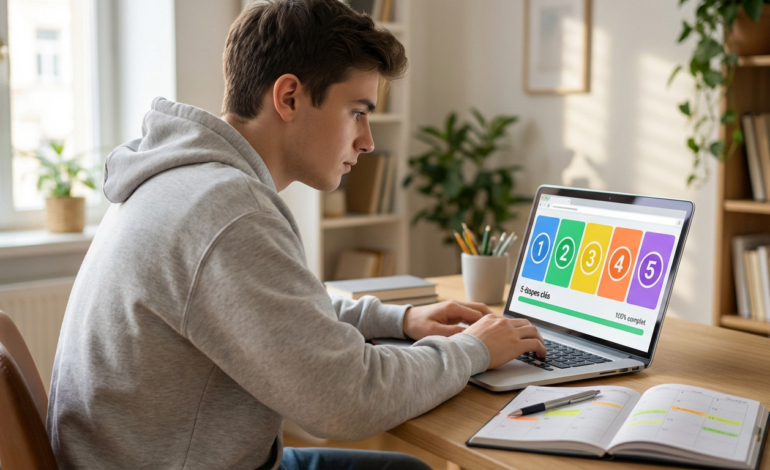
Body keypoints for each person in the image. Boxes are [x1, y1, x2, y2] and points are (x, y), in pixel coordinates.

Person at [46, 1, 546, 469]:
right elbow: (345, 402)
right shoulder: (225, 211)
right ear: (289, 97)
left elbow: (279, 316)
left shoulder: (180, 180)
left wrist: (404, 320)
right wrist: (474, 350)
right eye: (358, 111)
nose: (367, 141)